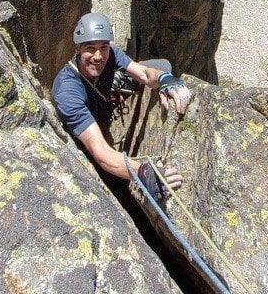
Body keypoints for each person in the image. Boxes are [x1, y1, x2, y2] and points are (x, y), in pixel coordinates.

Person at [52, 12, 192, 200]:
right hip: (87, 128)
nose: (98, 56)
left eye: (103, 47)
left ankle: (120, 83)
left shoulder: (110, 54)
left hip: (103, 102)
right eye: (90, 48)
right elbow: (101, 152)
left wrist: (164, 80)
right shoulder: (67, 91)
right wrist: (142, 172)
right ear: (77, 49)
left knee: (163, 65)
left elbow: (143, 73)